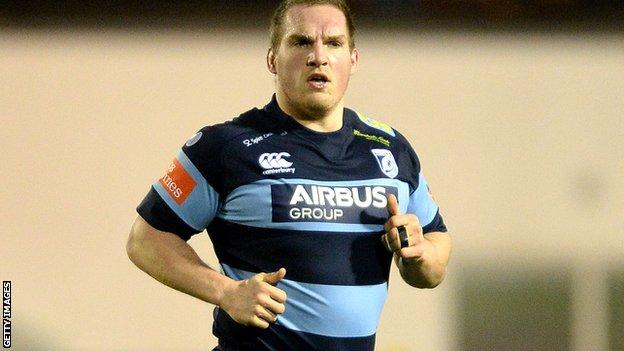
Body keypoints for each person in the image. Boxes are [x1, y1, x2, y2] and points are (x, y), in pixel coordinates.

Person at [126, 0, 452, 350]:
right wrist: (227, 293)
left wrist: (418, 254)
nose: (318, 56)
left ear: (353, 60)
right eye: (300, 42)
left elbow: (435, 256)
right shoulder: (224, 147)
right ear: (272, 59)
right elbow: (145, 241)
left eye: (334, 43)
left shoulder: (391, 150)